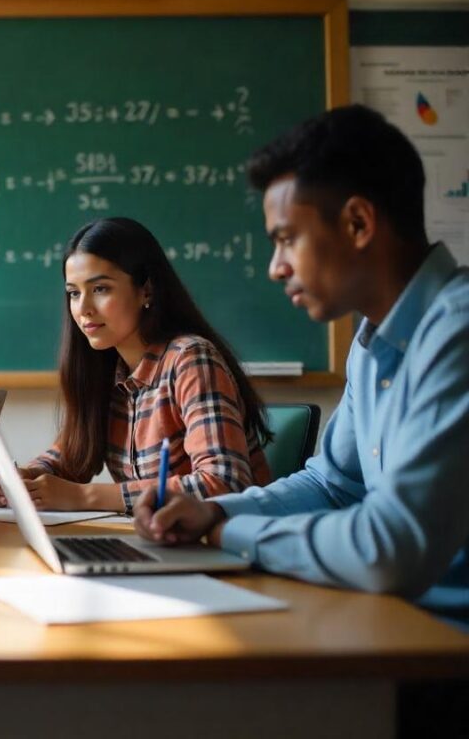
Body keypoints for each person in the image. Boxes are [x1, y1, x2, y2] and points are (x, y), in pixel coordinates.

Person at [133, 105, 469, 630]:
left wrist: (230, 535)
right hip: (395, 628)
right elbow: (335, 484)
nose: (276, 268)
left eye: (287, 238)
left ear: (359, 223)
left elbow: (391, 548)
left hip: (442, 654)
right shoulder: (371, 341)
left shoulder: (457, 333)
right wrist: (218, 512)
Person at [0, 217, 271, 516]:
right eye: (74, 293)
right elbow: (71, 456)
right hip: (157, 542)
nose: (83, 309)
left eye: (100, 289)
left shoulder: (190, 359)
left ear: (146, 290)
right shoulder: (107, 369)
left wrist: (86, 497)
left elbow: (225, 483)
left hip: (229, 547)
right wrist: (27, 478)